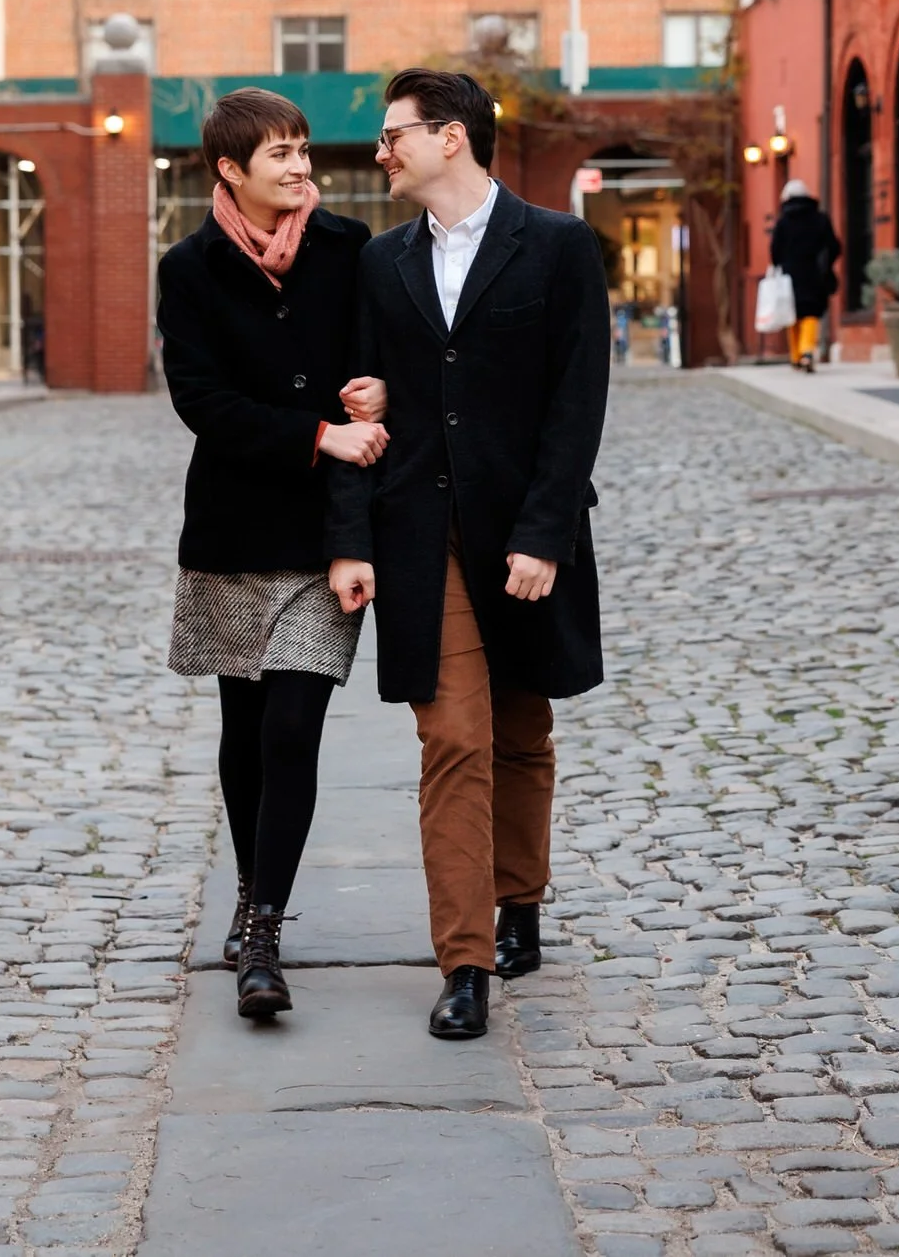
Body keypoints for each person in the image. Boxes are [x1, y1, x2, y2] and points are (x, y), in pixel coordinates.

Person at [326, 68, 610, 1041]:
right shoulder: (379, 261)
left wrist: (544, 533)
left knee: (521, 728)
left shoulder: (562, 247)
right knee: (452, 736)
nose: (380, 150)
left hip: (521, 529)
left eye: (392, 133)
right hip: (419, 534)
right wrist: (366, 431)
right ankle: (465, 960)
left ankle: (519, 897)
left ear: (451, 136)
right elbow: (371, 402)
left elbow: (576, 403)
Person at [157, 87, 388, 1021]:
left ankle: (261, 928)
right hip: (229, 535)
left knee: (293, 726)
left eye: (302, 150)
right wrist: (315, 432)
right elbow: (200, 402)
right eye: (281, 154)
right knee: (244, 731)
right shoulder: (191, 267)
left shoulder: (348, 252)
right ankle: (258, 892)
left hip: (319, 544)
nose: (301, 167)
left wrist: (370, 408)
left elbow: (375, 389)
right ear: (229, 169)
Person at [768, 179, 841, 372]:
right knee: (811, 313)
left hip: (790, 274)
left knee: (791, 314)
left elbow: (775, 250)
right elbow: (834, 246)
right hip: (814, 273)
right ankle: (807, 350)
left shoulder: (783, 222)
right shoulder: (820, 218)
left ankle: (796, 356)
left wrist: (779, 265)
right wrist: (826, 263)